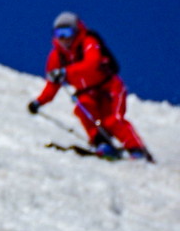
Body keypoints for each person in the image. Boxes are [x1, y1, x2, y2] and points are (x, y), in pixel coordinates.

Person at [27, 11, 152, 161]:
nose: (63, 38)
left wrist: (66, 72)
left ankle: (137, 149)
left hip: (109, 88)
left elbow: (91, 64)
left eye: (67, 32)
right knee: (83, 109)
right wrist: (39, 102)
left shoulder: (88, 42)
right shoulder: (57, 56)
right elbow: (53, 84)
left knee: (113, 120)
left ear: (76, 31)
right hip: (86, 92)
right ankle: (102, 144)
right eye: (59, 33)